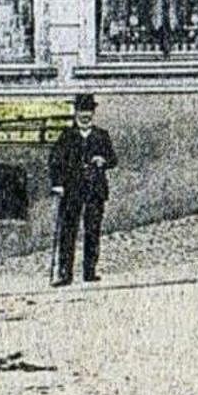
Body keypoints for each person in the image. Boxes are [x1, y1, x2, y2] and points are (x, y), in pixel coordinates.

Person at [48, 93, 117, 285]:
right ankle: (65, 273)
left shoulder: (101, 135)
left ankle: (89, 271)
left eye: (88, 111)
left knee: (92, 230)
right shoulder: (67, 136)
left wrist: (103, 160)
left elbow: (113, 159)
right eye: (81, 111)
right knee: (68, 231)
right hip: (72, 189)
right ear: (76, 113)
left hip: (95, 190)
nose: (85, 115)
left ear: (93, 113)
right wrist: (58, 184)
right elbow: (55, 162)